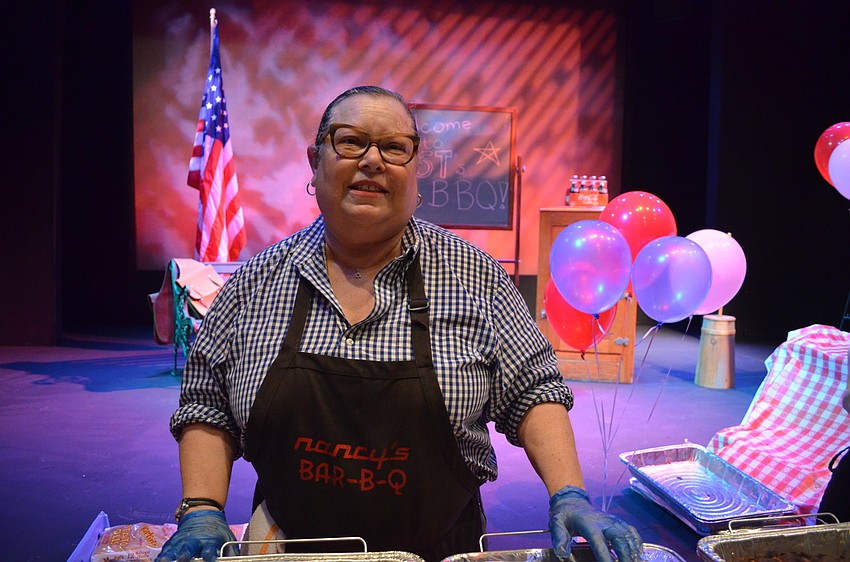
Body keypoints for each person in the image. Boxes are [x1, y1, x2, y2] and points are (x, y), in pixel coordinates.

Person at [155, 85, 643, 562]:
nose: (373, 160)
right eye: (350, 141)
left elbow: (534, 392)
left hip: (441, 550)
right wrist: (201, 508)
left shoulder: (474, 276)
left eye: (394, 148)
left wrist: (569, 494)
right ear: (314, 160)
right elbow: (208, 404)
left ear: (415, 170)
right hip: (291, 550)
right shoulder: (253, 285)